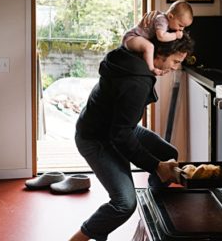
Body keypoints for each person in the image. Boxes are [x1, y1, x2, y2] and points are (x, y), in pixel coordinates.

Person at [64, 36, 192, 241]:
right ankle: (78, 239)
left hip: (116, 128)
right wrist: (155, 166)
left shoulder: (131, 55)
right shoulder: (137, 82)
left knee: (168, 153)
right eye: (175, 61)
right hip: (97, 138)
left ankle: (150, 215)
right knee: (124, 203)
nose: (176, 68)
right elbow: (120, 137)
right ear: (159, 54)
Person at [122, 1, 194, 75]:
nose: (181, 29)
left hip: (133, 38)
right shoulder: (162, 21)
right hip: (132, 36)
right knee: (149, 47)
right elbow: (161, 37)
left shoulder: (164, 18)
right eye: (181, 25)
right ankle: (151, 69)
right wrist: (175, 35)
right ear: (170, 16)